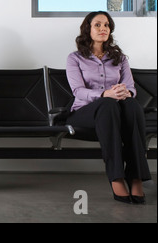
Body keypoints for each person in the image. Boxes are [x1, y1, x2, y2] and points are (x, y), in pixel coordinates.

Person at [66, 11, 151, 204]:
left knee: (131, 104)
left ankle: (136, 176)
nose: (103, 28)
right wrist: (105, 94)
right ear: (88, 29)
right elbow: (78, 91)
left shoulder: (120, 58)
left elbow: (130, 87)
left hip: (115, 111)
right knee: (106, 103)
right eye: (97, 24)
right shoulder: (75, 58)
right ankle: (116, 176)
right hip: (84, 113)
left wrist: (124, 92)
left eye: (106, 25)